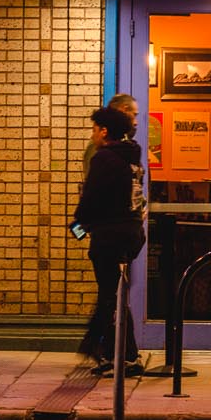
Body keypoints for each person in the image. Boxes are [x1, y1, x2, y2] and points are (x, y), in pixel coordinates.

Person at [74, 103, 146, 373]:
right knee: (115, 295)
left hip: (109, 235)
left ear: (104, 131)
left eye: (94, 129)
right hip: (131, 233)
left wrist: (78, 221)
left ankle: (107, 349)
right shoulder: (132, 158)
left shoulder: (103, 158)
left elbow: (91, 198)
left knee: (109, 295)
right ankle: (118, 354)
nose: (92, 135)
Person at [78, 93, 140, 193]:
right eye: (134, 114)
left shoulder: (126, 146)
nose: (136, 122)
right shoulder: (98, 145)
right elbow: (93, 187)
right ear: (124, 109)